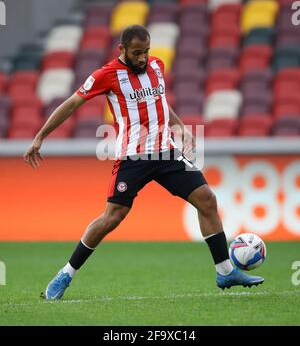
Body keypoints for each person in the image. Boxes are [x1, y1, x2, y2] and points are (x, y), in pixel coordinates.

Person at [23, 25, 264, 300]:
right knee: (112, 217)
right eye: (137, 53)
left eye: (146, 52)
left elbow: (159, 102)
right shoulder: (106, 75)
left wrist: (181, 127)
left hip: (166, 153)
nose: (142, 58)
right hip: (133, 157)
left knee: (207, 199)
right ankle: (65, 274)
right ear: (122, 50)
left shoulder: (156, 65)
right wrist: (40, 136)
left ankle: (225, 271)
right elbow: (71, 104)